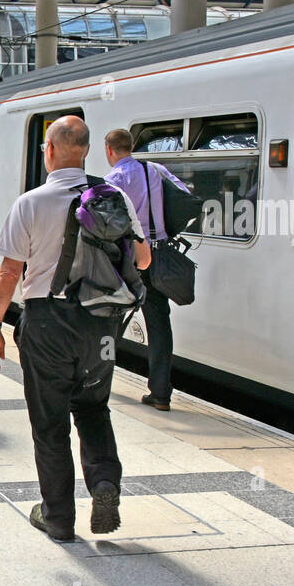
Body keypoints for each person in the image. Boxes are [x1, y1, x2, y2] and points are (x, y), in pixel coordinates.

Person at [0, 116, 149, 542]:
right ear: (87, 151)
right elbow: (144, 260)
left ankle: (58, 517)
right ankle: (104, 482)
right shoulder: (113, 197)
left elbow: (8, 273)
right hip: (102, 324)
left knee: (50, 422)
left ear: (51, 150)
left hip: (47, 322)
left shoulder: (32, 202)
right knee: (94, 408)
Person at [104, 127, 189, 412]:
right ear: (130, 146)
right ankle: (161, 393)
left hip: (130, 258)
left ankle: (99, 378)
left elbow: (107, 219)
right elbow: (185, 195)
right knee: (159, 324)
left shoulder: (114, 178)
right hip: (159, 256)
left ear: (109, 150)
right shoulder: (156, 169)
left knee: (111, 317)